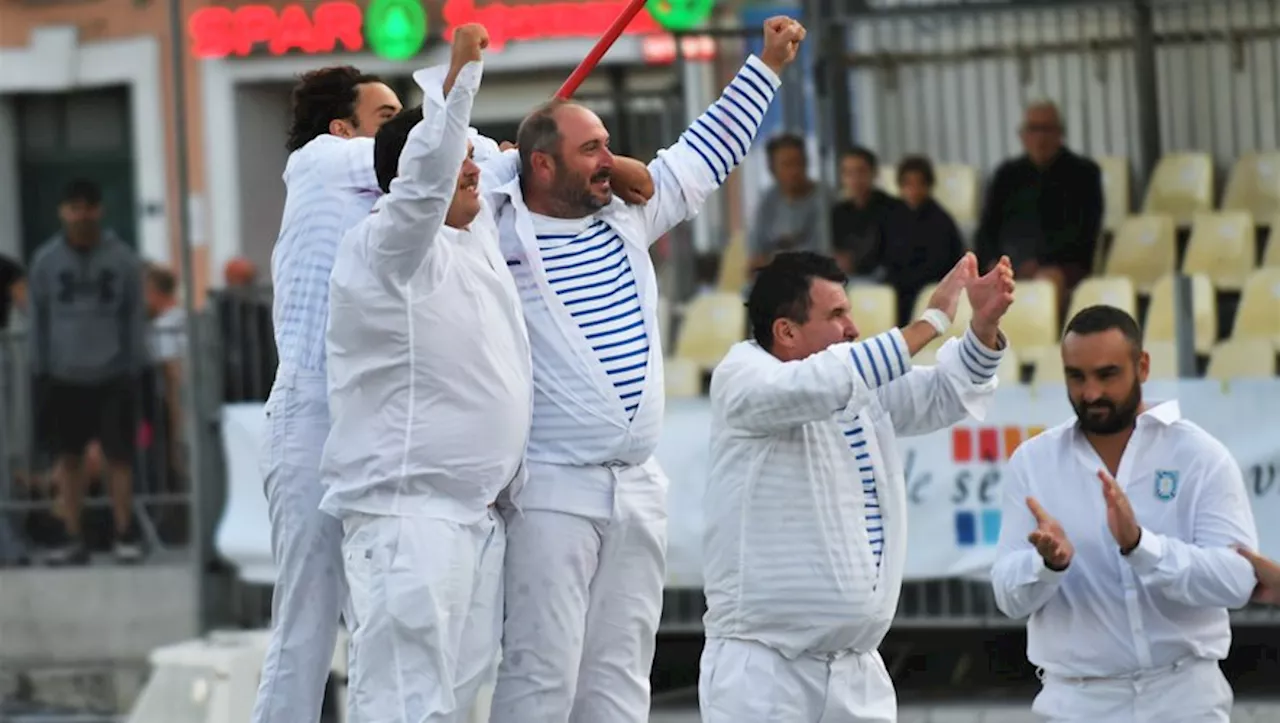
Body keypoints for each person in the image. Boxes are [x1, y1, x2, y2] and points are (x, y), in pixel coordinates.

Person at [487, 16, 808, 723]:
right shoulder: (494, 231)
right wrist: (498, 165)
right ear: (541, 166)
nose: (611, 158)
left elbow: (704, 156)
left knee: (620, 677)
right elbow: (428, 185)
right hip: (552, 486)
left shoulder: (626, 213)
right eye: (592, 148)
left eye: (609, 144)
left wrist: (766, 67)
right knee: (541, 675)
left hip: (636, 486)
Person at [699, 250, 1014, 722]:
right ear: (786, 331)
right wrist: (931, 320)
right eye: (837, 314)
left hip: (857, 674)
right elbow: (819, 383)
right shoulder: (741, 377)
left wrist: (983, 326)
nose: (852, 328)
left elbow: (945, 394)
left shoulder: (857, 382)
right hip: (762, 676)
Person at [320, 25, 529, 721]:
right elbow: (429, 178)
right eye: (455, 159)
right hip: (409, 522)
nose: (470, 170)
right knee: (405, 707)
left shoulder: (470, 238)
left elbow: (485, 171)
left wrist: (492, 156)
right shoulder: (385, 248)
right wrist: (460, 78)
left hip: (472, 522)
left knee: (449, 706)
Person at [990, 305, 1258, 723]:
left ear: (1143, 366)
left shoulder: (1199, 456)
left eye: (1107, 374)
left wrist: (1141, 546)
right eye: (1076, 377)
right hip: (1074, 702)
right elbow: (1008, 597)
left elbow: (1237, 582)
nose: (1091, 392)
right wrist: (1046, 565)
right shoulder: (1033, 462)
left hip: (1185, 697)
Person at [251, 63, 403, 723]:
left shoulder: (389, 201)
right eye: (388, 117)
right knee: (307, 621)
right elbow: (422, 156)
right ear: (343, 128)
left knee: (384, 618)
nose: (403, 133)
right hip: (310, 415)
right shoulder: (320, 160)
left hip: (371, 420)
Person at [28, 179, 148, 565]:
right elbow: (38, 320)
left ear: (100, 210)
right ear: (62, 212)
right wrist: (40, 369)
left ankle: (125, 532)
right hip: (63, 375)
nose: (81, 215)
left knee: (119, 459)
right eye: (74, 207)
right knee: (69, 459)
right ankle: (71, 535)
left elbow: (133, 316)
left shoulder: (123, 259)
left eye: (88, 207)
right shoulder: (46, 261)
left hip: (114, 373)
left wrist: (135, 366)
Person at [975, 100, 1103, 305]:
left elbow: (1084, 232)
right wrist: (995, 262)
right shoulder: (1006, 175)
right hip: (1011, 264)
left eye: (1047, 129)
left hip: (1061, 265)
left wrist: (1039, 262)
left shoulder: (1083, 174)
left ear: (1060, 133)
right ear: (1023, 135)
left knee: (1047, 281)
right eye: (1033, 129)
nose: (1040, 137)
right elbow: (987, 228)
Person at [880, 155, 967, 326]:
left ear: (928, 185)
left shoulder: (940, 220)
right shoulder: (891, 216)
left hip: (928, 286)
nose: (913, 189)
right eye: (908, 184)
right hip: (897, 285)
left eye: (919, 183)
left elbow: (941, 262)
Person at [748, 133, 825, 271]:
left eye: (799, 163)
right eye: (786, 165)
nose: (794, 171)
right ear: (772, 169)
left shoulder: (823, 198)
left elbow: (819, 251)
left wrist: (771, 259)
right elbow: (756, 251)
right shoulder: (767, 200)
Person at [830, 146, 899, 278]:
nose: (855, 179)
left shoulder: (893, 208)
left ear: (874, 173)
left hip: (883, 278)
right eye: (848, 173)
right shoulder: (838, 212)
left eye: (861, 171)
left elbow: (891, 256)